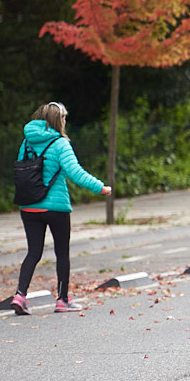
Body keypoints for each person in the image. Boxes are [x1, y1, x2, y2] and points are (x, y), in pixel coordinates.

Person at [11, 102, 111, 315]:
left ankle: (20, 295)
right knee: (62, 252)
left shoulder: (26, 142)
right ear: (59, 120)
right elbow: (75, 173)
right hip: (56, 207)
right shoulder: (60, 143)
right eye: (64, 117)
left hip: (29, 206)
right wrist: (101, 188)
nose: (65, 121)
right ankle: (62, 299)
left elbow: (20, 168)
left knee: (33, 252)